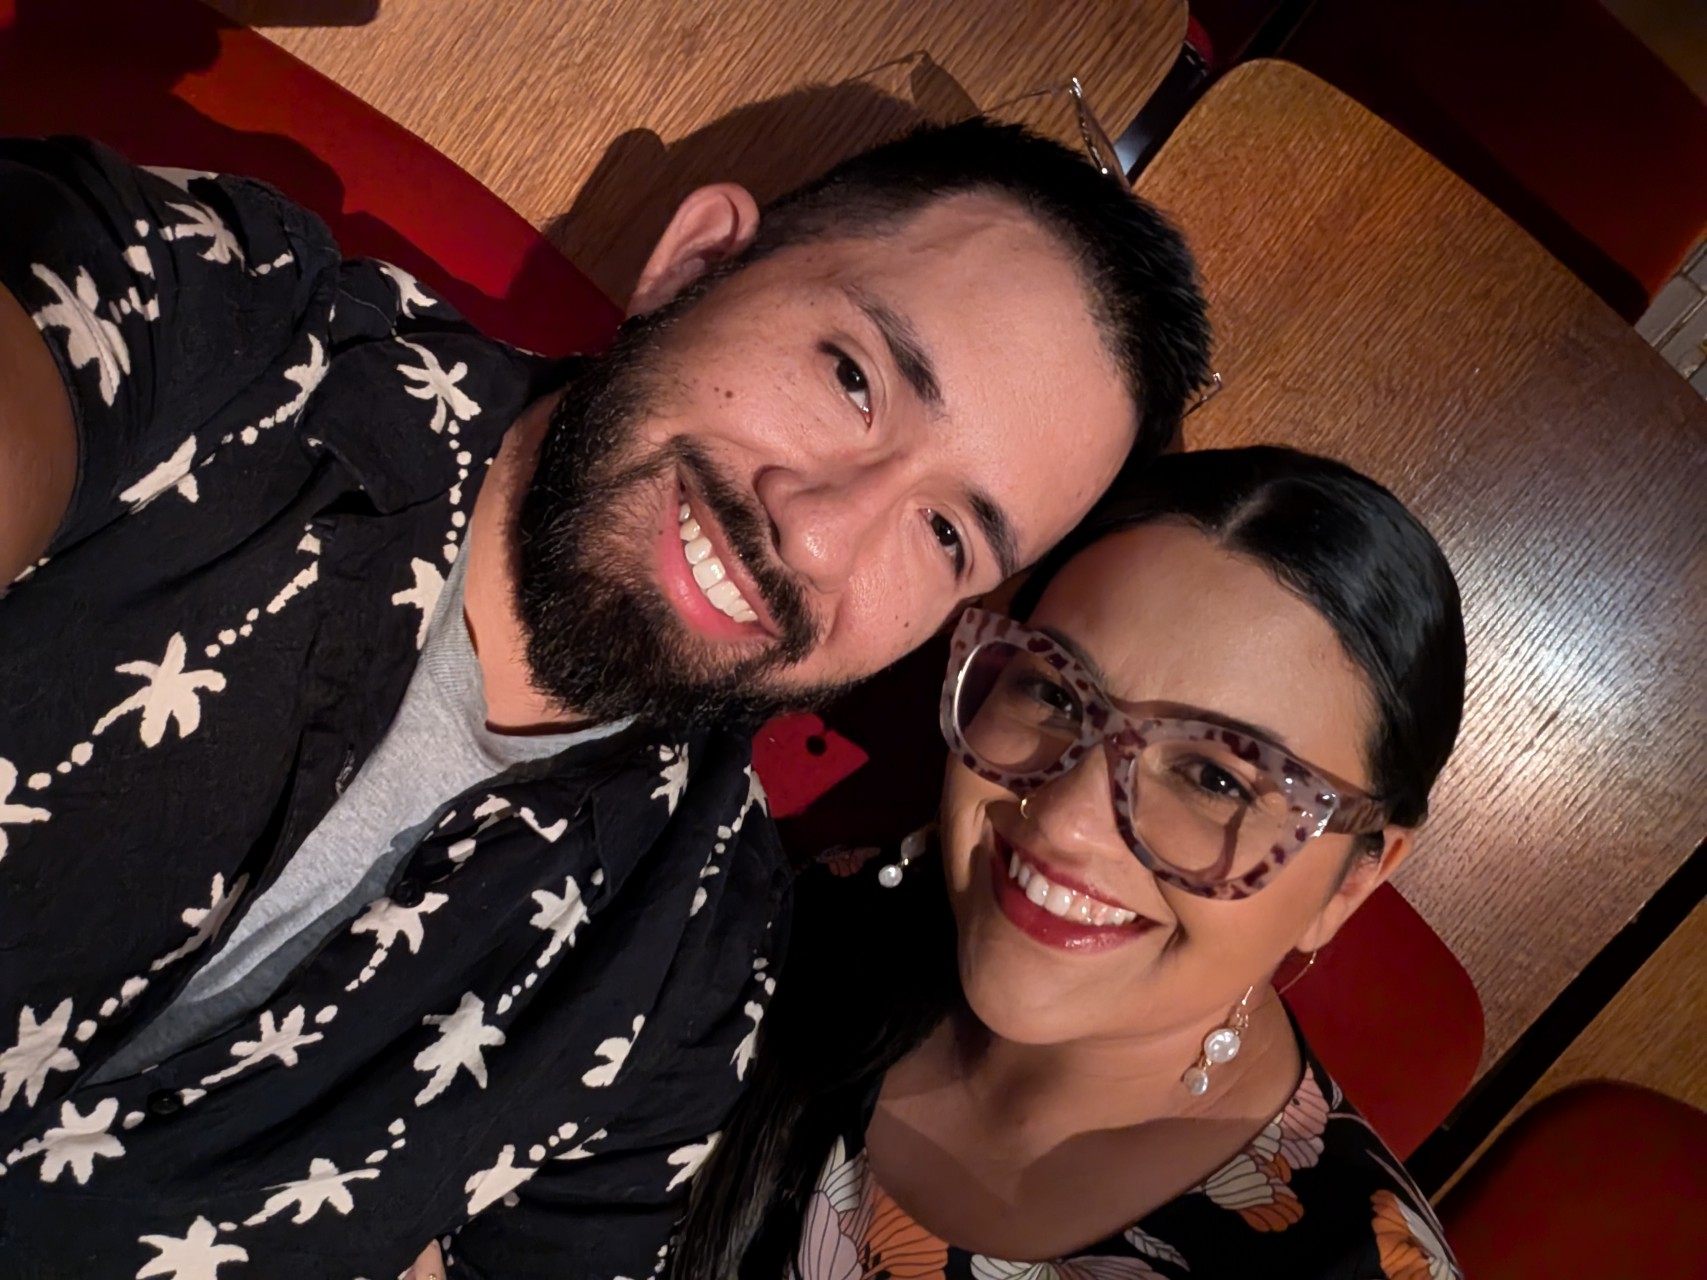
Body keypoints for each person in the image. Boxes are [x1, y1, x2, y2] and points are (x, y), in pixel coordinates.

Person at [0, 119, 1210, 1278]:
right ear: (696, 263)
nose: (819, 534)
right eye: (853, 376)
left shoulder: (689, 973)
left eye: (946, 534)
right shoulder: (226, 326)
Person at [677, 445, 1467, 1279]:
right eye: (1052, 692)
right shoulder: (797, 918)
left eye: (1215, 779)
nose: (1066, 822)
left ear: (1351, 883)